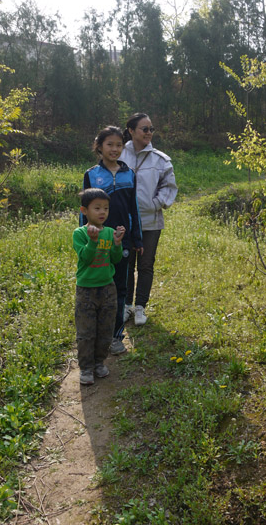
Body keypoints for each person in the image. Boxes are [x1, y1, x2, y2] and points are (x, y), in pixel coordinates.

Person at [81, 126, 143, 355]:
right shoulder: (91, 174)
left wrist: (136, 238)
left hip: (121, 241)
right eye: (110, 144)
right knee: (97, 287)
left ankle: (116, 336)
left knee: (120, 288)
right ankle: (95, 333)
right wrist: (84, 237)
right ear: (99, 146)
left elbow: (133, 209)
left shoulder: (130, 174)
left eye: (119, 145)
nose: (115, 149)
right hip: (98, 240)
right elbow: (85, 210)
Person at [121, 113, 178, 325]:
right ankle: (126, 306)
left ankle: (140, 307)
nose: (149, 133)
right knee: (126, 263)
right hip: (123, 221)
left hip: (150, 222)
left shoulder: (160, 159)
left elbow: (168, 187)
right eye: (144, 129)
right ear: (131, 131)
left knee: (145, 265)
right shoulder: (119, 154)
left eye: (151, 129)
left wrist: (155, 204)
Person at [73, 188, 126, 385]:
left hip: (107, 287)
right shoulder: (79, 234)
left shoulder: (110, 232)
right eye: (97, 208)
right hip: (86, 289)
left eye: (106, 208)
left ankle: (99, 363)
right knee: (86, 331)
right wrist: (93, 242)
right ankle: (86, 367)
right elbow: (85, 259)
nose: (102, 212)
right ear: (84, 210)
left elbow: (115, 259)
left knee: (105, 328)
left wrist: (118, 244)